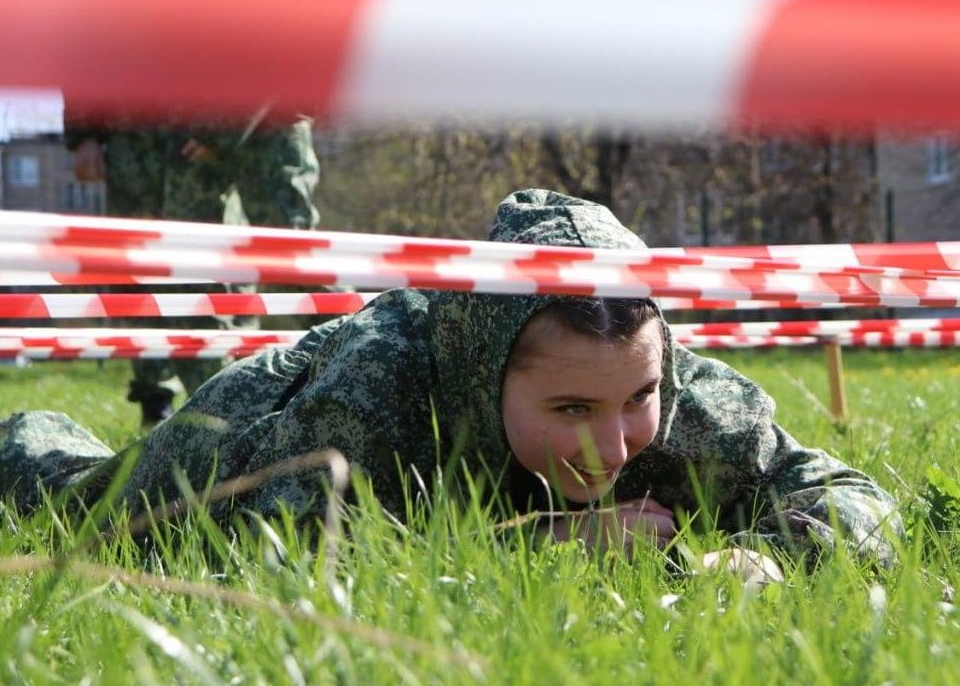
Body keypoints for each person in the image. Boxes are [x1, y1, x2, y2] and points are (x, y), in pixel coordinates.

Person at [0, 190, 902, 578]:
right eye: (571, 410)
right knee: (89, 506)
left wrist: (773, 561)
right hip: (278, 392)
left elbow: (848, 495)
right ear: (488, 382)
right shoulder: (368, 409)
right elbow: (262, 553)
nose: (619, 444)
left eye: (637, 397)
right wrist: (549, 542)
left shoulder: (687, 399)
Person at [67, 112, 321, 426]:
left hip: (232, 118)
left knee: (286, 259)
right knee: (153, 267)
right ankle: (200, 410)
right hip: (144, 130)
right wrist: (82, 134)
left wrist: (216, 127)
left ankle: (354, 366)